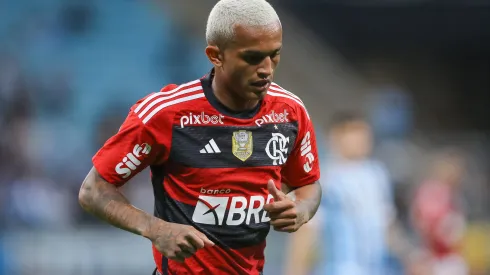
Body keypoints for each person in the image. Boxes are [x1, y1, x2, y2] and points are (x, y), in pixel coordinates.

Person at [78, 1, 322, 274]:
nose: (267, 69)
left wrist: (301, 209)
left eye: (274, 55)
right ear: (215, 55)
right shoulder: (166, 114)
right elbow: (93, 190)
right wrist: (154, 228)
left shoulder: (290, 112)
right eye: (253, 57)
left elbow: (308, 185)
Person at [285, 112, 408, 275]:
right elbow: (305, 236)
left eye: (364, 133)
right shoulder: (321, 180)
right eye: (354, 132)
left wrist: (410, 256)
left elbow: (387, 226)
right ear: (335, 137)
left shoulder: (377, 175)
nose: (362, 139)